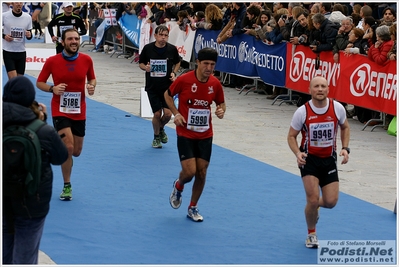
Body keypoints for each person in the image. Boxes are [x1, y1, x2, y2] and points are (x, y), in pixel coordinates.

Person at [3, 76, 68, 264]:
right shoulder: (42, 129)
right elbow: (61, 157)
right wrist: (43, 121)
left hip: (3, 199)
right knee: (25, 255)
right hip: (32, 202)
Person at [287, 76, 350, 248]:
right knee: (313, 199)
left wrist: (345, 147)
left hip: (329, 160)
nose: (320, 89)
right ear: (310, 90)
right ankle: (311, 233)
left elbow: (345, 127)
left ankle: (313, 207)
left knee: (330, 202)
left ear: (328, 89)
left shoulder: (337, 108)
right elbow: (291, 136)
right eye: (316, 86)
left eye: (323, 86)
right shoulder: (302, 112)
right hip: (309, 160)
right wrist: (297, 153)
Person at [166, 47, 226, 222]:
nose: (209, 68)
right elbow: (168, 95)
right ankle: (178, 185)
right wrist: (176, 113)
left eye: (212, 65)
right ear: (197, 63)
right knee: (190, 172)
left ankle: (193, 206)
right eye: (205, 63)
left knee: (202, 172)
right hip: (185, 133)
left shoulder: (215, 84)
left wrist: (221, 110)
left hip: (205, 134)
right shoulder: (184, 80)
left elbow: (221, 103)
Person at [36, 28, 96, 201]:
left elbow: (92, 78)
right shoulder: (52, 61)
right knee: (67, 148)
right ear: (62, 42)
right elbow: (39, 82)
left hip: (79, 110)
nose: (74, 41)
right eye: (70, 39)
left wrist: (91, 86)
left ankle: (66, 159)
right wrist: (52, 89)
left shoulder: (87, 59)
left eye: (76, 38)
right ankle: (67, 185)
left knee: (76, 151)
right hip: (59, 109)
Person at [139, 25, 181, 148]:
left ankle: (161, 128)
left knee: (168, 114)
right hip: (152, 86)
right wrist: (145, 68)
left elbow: (177, 62)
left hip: (167, 87)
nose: (163, 38)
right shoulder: (148, 49)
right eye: (161, 35)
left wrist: (174, 72)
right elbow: (140, 63)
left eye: (165, 35)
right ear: (155, 36)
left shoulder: (172, 49)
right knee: (157, 114)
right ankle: (156, 137)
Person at [2, 2, 33, 80]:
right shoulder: (4, 16)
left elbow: (29, 35)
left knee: (19, 82)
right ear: (12, 4)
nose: (19, 4)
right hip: (8, 51)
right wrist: (4, 36)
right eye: (17, 3)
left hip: (21, 52)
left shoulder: (28, 17)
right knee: (13, 80)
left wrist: (29, 35)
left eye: (20, 2)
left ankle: (11, 92)